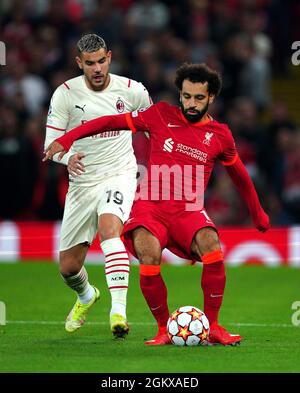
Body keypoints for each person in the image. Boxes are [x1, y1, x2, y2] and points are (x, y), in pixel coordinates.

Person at [44, 63, 270, 345]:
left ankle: (213, 326)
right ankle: (163, 329)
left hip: (188, 209)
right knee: (148, 253)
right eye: (186, 96)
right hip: (150, 207)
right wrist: (66, 138)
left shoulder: (221, 135)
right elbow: (109, 122)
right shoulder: (160, 114)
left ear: (211, 97)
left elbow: (240, 177)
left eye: (198, 98)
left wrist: (257, 212)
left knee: (212, 247)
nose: (190, 103)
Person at [44, 33, 152, 338]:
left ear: (110, 57)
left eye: (101, 61)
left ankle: (118, 312)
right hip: (82, 182)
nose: (97, 68)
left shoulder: (133, 91)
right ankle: (87, 296)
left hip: (119, 173)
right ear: (79, 63)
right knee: (68, 267)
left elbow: (152, 131)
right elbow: (50, 146)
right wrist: (67, 159)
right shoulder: (65, 94)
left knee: (109, 229)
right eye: (89, 63)